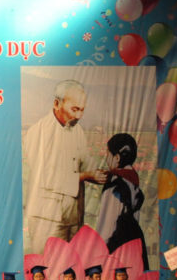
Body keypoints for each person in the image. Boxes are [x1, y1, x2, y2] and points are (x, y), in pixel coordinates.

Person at [24, 79, 106, 253]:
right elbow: (44, 176)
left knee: (73, 263)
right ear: (57, 103)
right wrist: (85, 176)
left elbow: (84, 160)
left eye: (82, 110)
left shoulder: (77, 130)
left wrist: (101, 172)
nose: (78, 116)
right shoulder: (38, 132)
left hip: (74, 215)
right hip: (46, 218)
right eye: (74, 109)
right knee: (47, 263)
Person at [95, 133, 148, 269]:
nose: (106, 159)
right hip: (134, 243)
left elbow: (107, 226)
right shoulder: (133, 181)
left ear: (117, 158)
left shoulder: (115, 184)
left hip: (117, 246)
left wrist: (98, 252)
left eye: (108, 154)